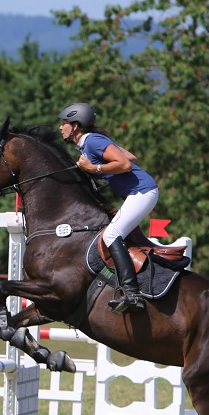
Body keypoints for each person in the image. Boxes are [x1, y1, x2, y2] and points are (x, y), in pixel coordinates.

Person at [57, 102, 159, 313]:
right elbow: (130, 156)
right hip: (140, 192)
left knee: (111, 235)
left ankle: (132, 293)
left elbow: (126, 164)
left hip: (142, 191)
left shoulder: (92, 141)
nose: (60, 127)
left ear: (75, 125)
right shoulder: (91, 143)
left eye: (64, 123)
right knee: (113, 233)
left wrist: (94, 168)